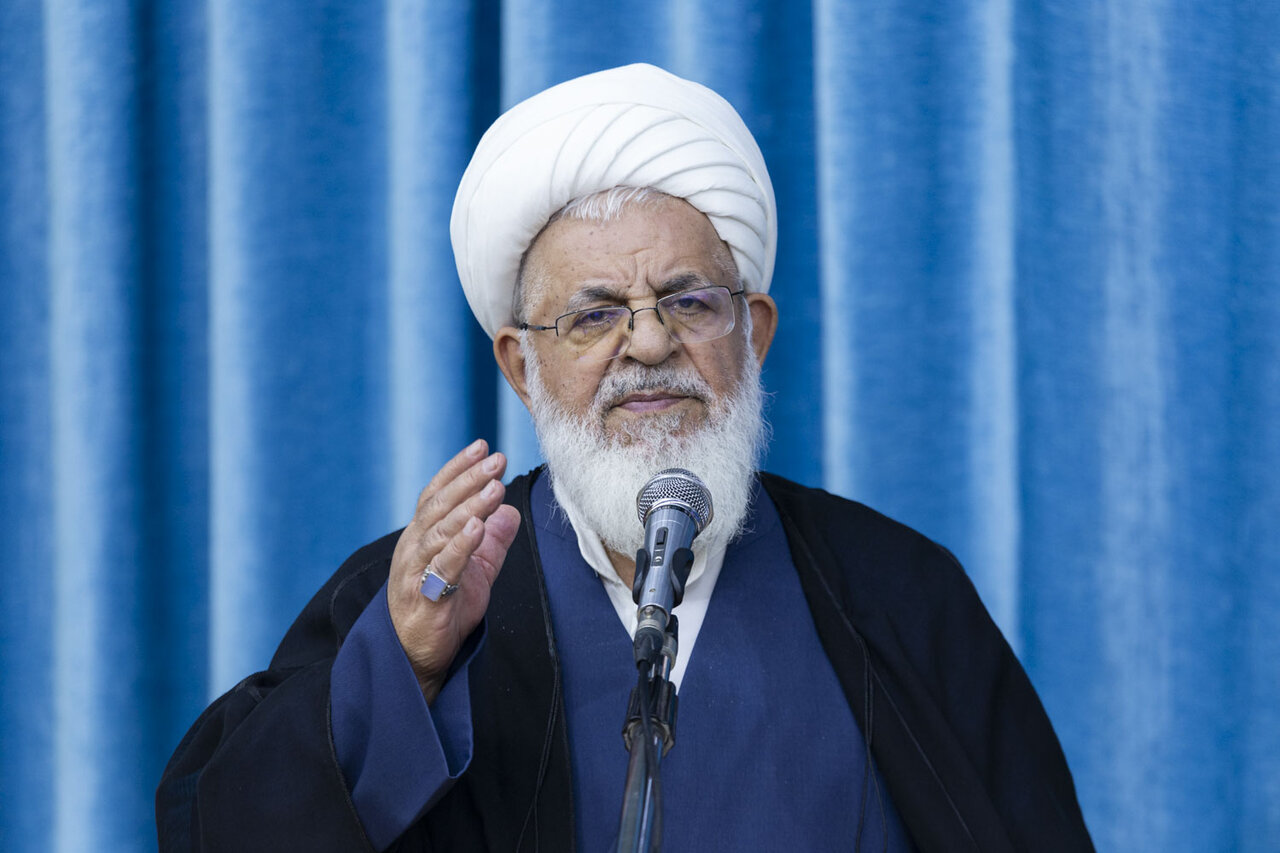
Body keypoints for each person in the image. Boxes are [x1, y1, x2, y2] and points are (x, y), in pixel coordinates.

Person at [157, 64, 1093, 852]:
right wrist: (404, 668)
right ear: (521, 366)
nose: (647, 344)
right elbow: (221, 826)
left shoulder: (897, 591)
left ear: (754, 333)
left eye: (689, 302)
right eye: (594, 315)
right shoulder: (417, 599)